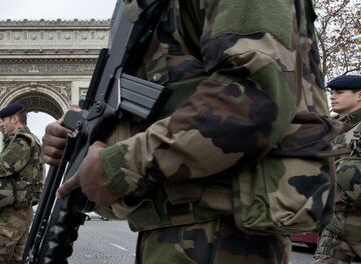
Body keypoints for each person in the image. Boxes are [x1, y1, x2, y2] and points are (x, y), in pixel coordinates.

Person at [43, 0, 335, 263]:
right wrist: (85, 138)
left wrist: (118, 164)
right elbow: (166, 103)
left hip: (224, 233)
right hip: (178, 227)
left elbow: (255, 97)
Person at [0, 102, 44, 264]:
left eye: (3, 120)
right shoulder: (33, 140)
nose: (1, 124)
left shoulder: (21, 141)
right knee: (16, 259)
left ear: (14, 119)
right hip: (24, 209)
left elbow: (0, 168)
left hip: (13, 213)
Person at [314, 75, 361, 263]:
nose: (333, 96)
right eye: (331, 92)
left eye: (340, 92)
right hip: (335, 221)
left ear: (359, 95)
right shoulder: (328, 130)